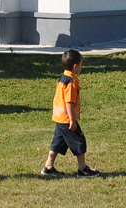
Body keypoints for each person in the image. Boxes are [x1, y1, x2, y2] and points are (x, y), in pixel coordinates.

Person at [40, 49, 100, 178]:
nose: (81, 67)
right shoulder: (71, 83)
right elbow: (69, 102)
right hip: (67, 119)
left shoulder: (63, 79)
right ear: (75, 66)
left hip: (59, 118)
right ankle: (82, 169)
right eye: (81, 65)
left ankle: (48, 166)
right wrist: (72, 120)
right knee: (79, 141)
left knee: (57, 143)